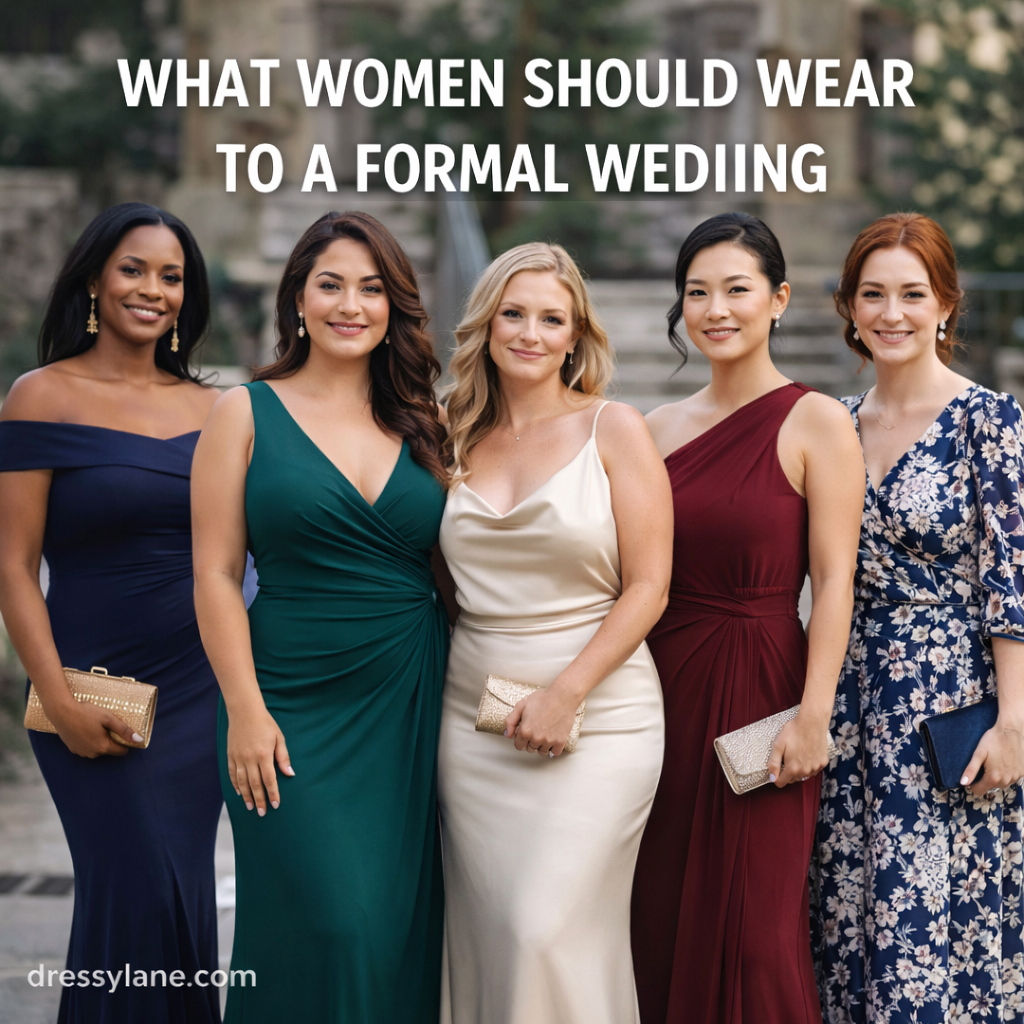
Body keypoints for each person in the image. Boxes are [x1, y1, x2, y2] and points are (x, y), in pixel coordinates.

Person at [191, 211, 450, 1024]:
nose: (351, 304)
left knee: (394, 930)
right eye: (330, 284)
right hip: (288, 702)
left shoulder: (425, 422)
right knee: (332, 924)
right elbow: (215, 572)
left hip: (410, 700)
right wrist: (244, 712)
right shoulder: (243, 411)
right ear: (297, 299)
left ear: (394, 307)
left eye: (371, 288)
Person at [630, 212, 865, 1024]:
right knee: (658, 916)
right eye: (697, 292)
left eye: (737, 289)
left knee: (756, 929)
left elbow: (835, 581)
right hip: (656, 695)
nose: (716, 309)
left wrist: (814, 714)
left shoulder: (818, 421)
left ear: (778, 299)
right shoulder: (652, 431)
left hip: (766, 689)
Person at [436, 241, 673, 1024]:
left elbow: (649, 585)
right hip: (473, 727)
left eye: (551, 318)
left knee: (543, 927)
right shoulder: (449, 432)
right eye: (514, 313)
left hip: (602, 715)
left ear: (577, 336)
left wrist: (565, 693)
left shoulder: (616, 428)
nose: (530, 333)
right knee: (491, 935)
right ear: (487, 324)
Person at [0, 203, 222, 1023]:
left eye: (172, 277)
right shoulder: (40, 396)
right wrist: (56, 696)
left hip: (200, 699)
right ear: (95, 279)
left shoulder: (213, 410)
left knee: (177, 897)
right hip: (90, 687)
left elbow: (242, 555)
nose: (153, 290)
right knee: (131, 894)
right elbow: (13, 566)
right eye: (134, 269)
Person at [812, 212, 1024, 1023]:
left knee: (937, 928)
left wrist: (1013, 721)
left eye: (912, 293)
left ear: (946, 304)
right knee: (845, 917)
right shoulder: (830, 421)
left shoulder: (989, 421)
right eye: (873, 294)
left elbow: (1012, 579)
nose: (891, 313)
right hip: (849, 702)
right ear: (849, 308)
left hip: (950, 709)